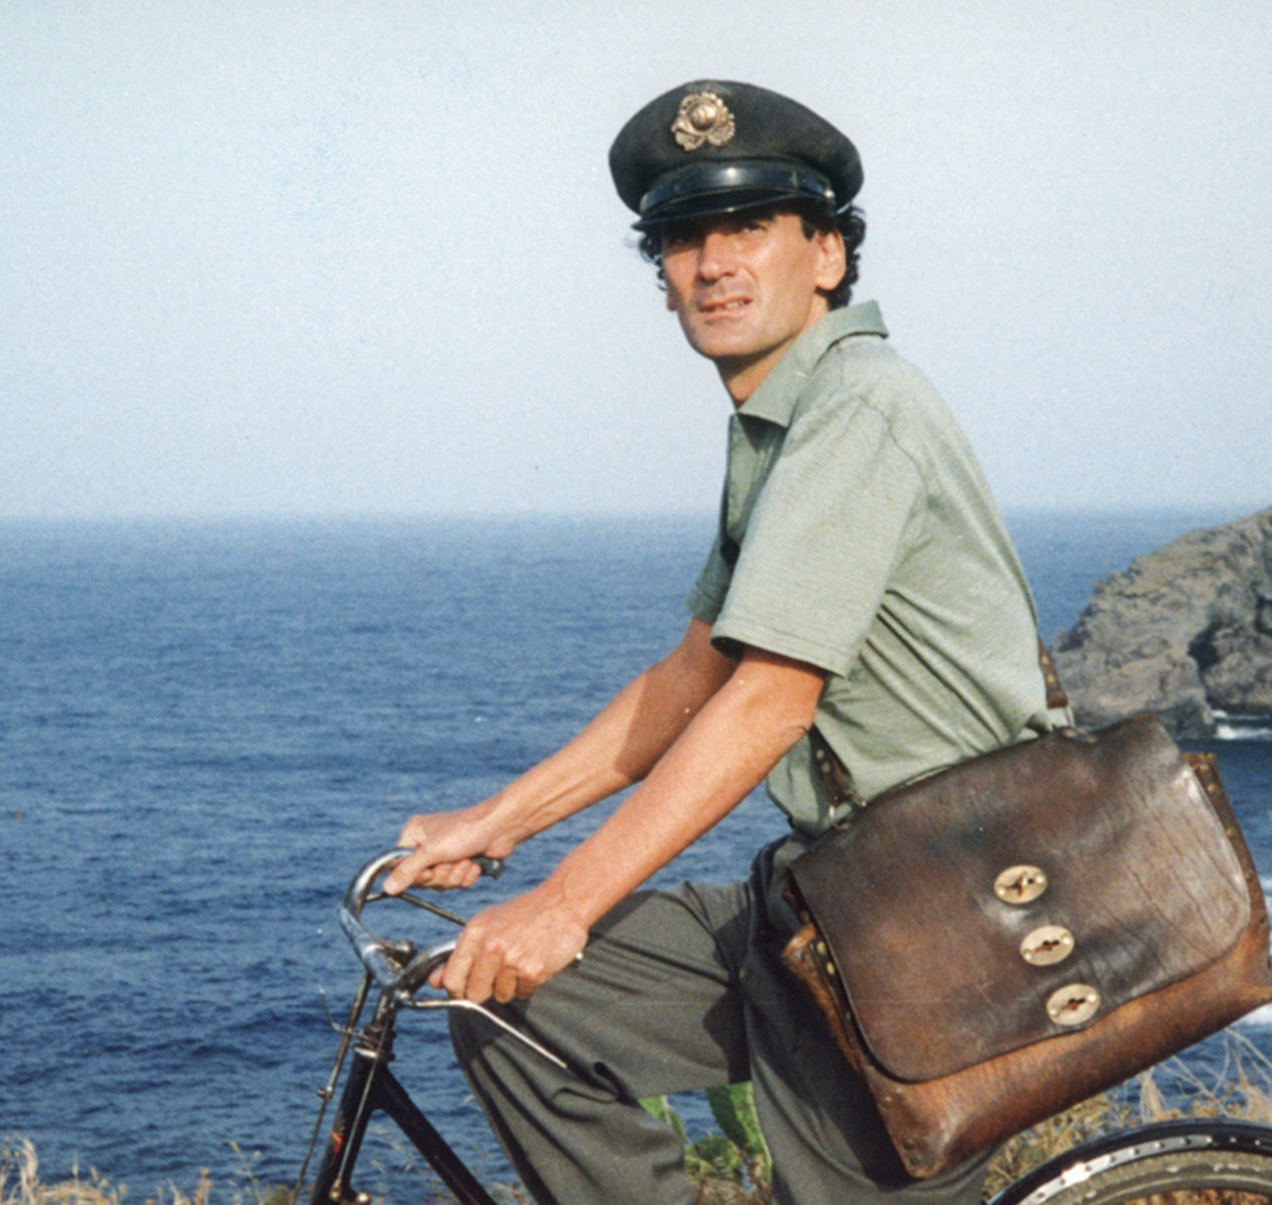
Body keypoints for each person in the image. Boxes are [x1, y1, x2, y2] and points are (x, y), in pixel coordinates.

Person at [381, 80, 1062, 1205]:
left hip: (946, 910)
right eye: (685, 239)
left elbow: (768, 701)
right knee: (508, 1003)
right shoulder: (781, 425)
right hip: (843, 888)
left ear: (829, 256)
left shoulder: (858, 407)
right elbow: (695, 676)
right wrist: (494, 826)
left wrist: (565, 902)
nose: (714, 263)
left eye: (750, 227)